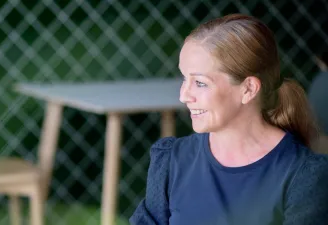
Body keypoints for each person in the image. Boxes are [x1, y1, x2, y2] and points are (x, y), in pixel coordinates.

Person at [130, 14, 328, 225]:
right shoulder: (171, 161)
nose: (184, 95)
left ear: (248, 89)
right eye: (185, 78)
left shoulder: (304, 176)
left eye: (200, 83)